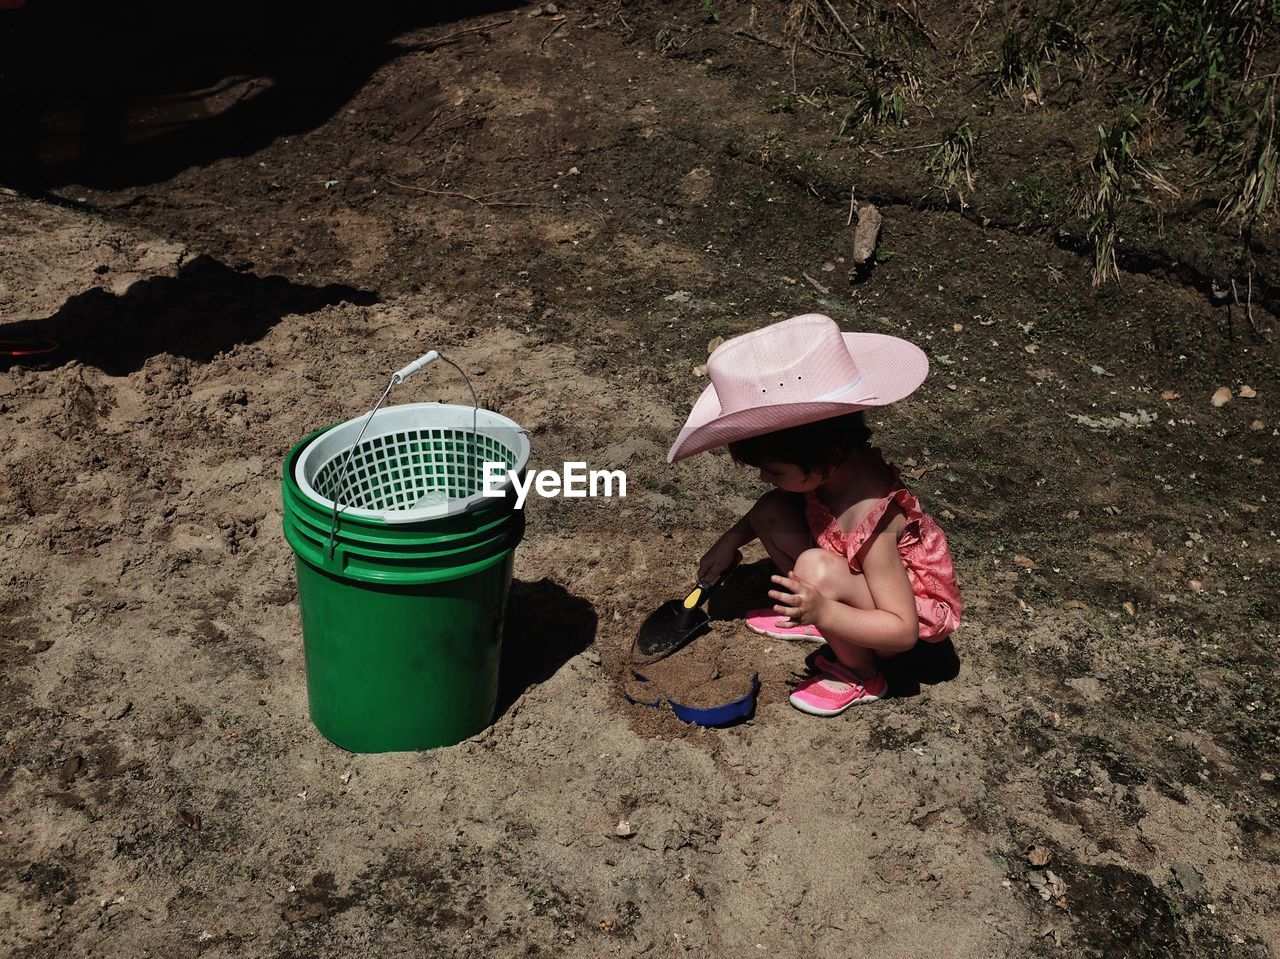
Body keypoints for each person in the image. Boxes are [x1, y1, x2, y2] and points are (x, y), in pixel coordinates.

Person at [667, 313, 962, 716]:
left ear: (825, 460)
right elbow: (768, 511)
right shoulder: (836, 469)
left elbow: (902, 630)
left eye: (774, 470)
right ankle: (826, 620)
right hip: (862, 586)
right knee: (771, 511)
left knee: (814, 568)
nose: (764, 478)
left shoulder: (870, 518)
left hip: (900, 623)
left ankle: (859, 670)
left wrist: (825, 609)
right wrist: (731, 541)